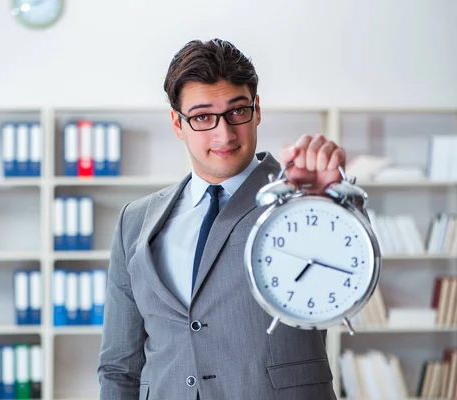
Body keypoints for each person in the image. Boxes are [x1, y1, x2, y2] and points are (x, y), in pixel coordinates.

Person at [97, 38, 345, 400]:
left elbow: (347, 279)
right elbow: (119, 366)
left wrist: (330, 205)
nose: (224, 133)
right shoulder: (135, 221)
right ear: (177, 123)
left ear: (257, 109)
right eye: (201, 117)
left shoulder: (300, 200)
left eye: (237, 111)